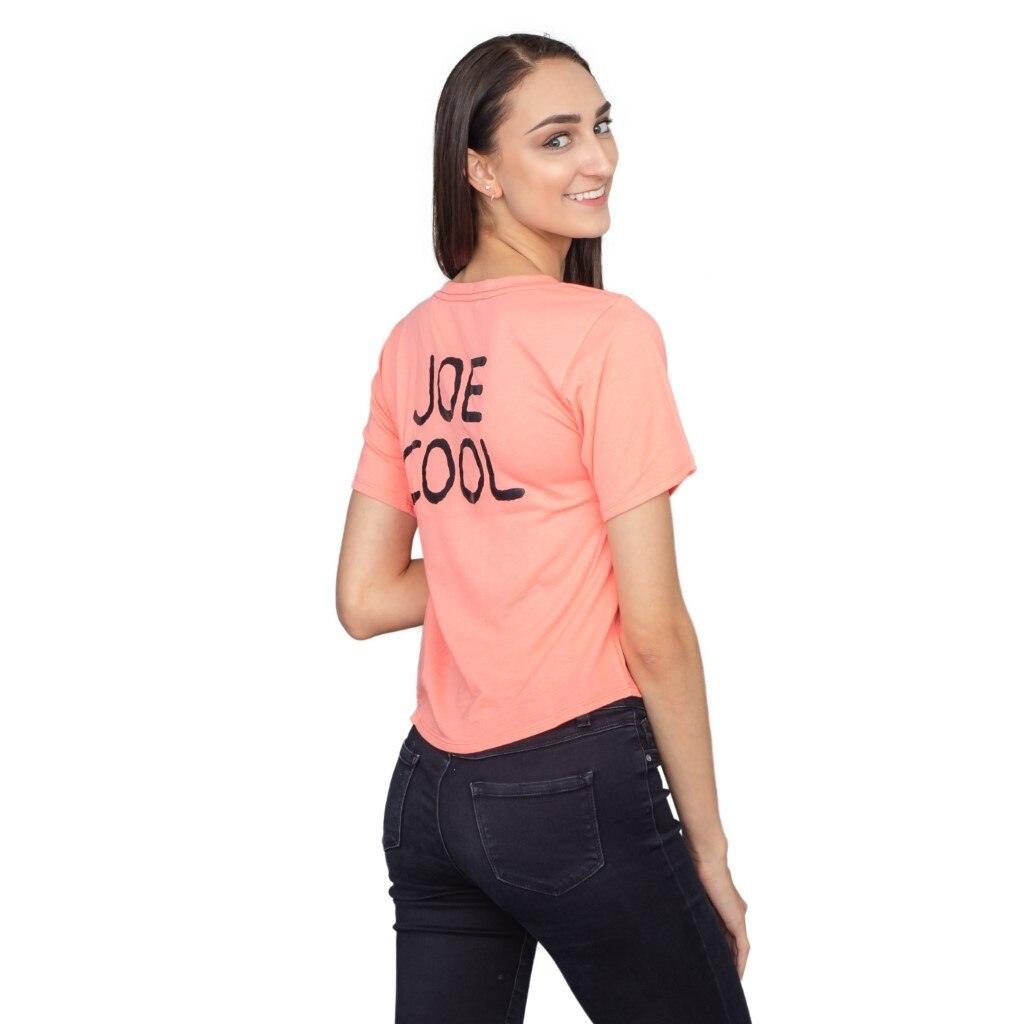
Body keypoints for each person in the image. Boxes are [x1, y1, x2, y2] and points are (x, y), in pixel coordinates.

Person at [336, 32, 754, 1024]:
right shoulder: (606, 334)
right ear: (480, 170)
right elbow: (656, 631)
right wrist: (709, 852)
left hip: (431, 796)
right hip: (572, 789)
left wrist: (503, 548)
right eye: (556, 138)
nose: (597, 158)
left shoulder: (412, 341)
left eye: (601, 127)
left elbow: (366, 595)